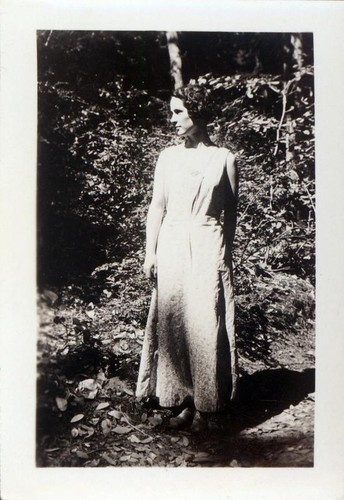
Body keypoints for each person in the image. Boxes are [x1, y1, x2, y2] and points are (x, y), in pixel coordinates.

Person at [136, 84, 238, 432]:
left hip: (208, 242)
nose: (173, 118)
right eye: (172, 111)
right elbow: (157, 207)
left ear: (199, 113)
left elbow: (232, 214)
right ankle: (179, 401)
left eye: (179, 111)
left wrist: (226, 252)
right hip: (173, 242)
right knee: (174, 321)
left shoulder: (224, 158)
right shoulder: (167, 157)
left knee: (204, 322)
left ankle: (206, 406)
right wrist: (150, 252)